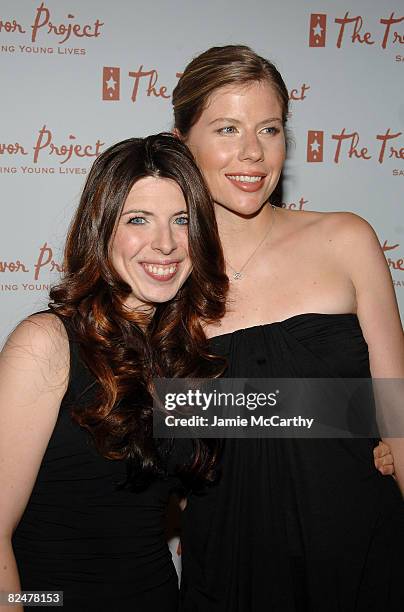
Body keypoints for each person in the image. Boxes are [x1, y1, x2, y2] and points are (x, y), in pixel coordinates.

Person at [172, 45, 404, 611]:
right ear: (183, 144)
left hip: (364, 552)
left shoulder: (345, 239)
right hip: (228, 566)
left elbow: (398, 416)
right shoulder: (162, 274)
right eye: (227, 128)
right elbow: (165, 442)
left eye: (269, 129)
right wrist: (341, 410)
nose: (252, 152)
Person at [0, 134, 228, 611]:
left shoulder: (185, 359)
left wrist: (373, 435)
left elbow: (287, 423)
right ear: (101, 230)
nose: (165, 244)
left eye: (182, 220)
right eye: (138, 220)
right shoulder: (47, 344)